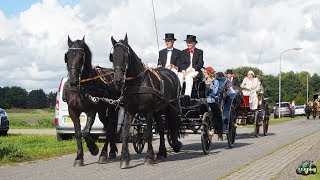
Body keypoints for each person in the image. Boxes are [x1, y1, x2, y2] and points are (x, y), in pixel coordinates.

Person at [208, 72, 225, 141]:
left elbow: (214, 91)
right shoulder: (210, 81)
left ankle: (219, 132)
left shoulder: (215, 81)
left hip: (213, 100)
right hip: (208, 99)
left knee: (216, 116)